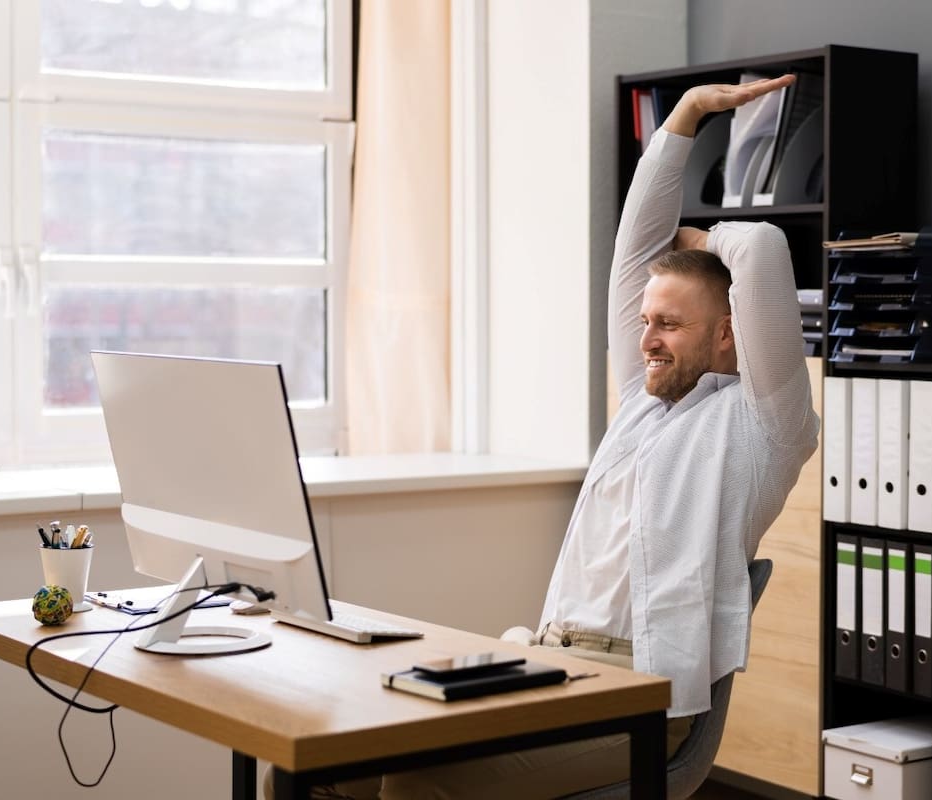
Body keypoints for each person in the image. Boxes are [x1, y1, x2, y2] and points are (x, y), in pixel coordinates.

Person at [269, 74, 819, 800]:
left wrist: (706, 238)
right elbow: (634, 253)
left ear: (728, 334)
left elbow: (767, 249)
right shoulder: (639, 407)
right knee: (312, 766)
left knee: (416, 785)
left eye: (669, 324)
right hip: (549, 666)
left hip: (640, 700)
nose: (644, 338)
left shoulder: (764, 427)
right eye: (646, 320)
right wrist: (684, 117)